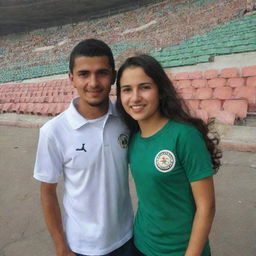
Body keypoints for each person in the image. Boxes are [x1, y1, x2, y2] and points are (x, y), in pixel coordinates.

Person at [33, 39, 134, 256]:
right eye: (84, 74)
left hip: (127, 238)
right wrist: (60, 245)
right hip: (80, 247)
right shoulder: (53, 132)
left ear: (113, 76)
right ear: (71, 78)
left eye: (102, 73)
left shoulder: (127, 119)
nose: (94, 82)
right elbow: (47, 192)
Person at [116, 54, 222, 256]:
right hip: (141, 245)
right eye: (127, 89)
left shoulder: (184, 136)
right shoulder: (133, 139)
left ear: (161, 91)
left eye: (145, 87)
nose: (135, 97)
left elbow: (206, 207)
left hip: (180, 250)